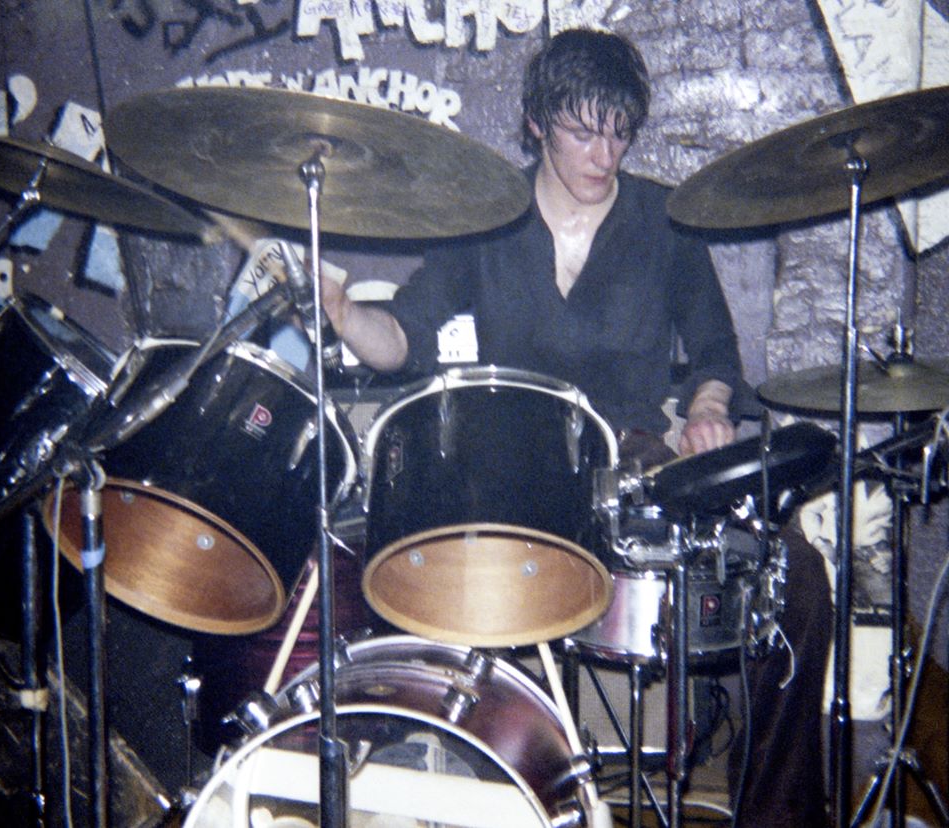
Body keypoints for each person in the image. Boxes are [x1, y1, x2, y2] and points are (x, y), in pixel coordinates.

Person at [322, 27, 831, 828]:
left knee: (797, 577)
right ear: (536, 124)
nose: (605, 155)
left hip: (633, 460)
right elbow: (402, 342)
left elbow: (716, 354)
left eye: (620, 133)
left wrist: (705, 410)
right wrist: (346, 313)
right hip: (511, 468)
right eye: (583, 131)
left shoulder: (666, 220)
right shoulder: (485, 219)